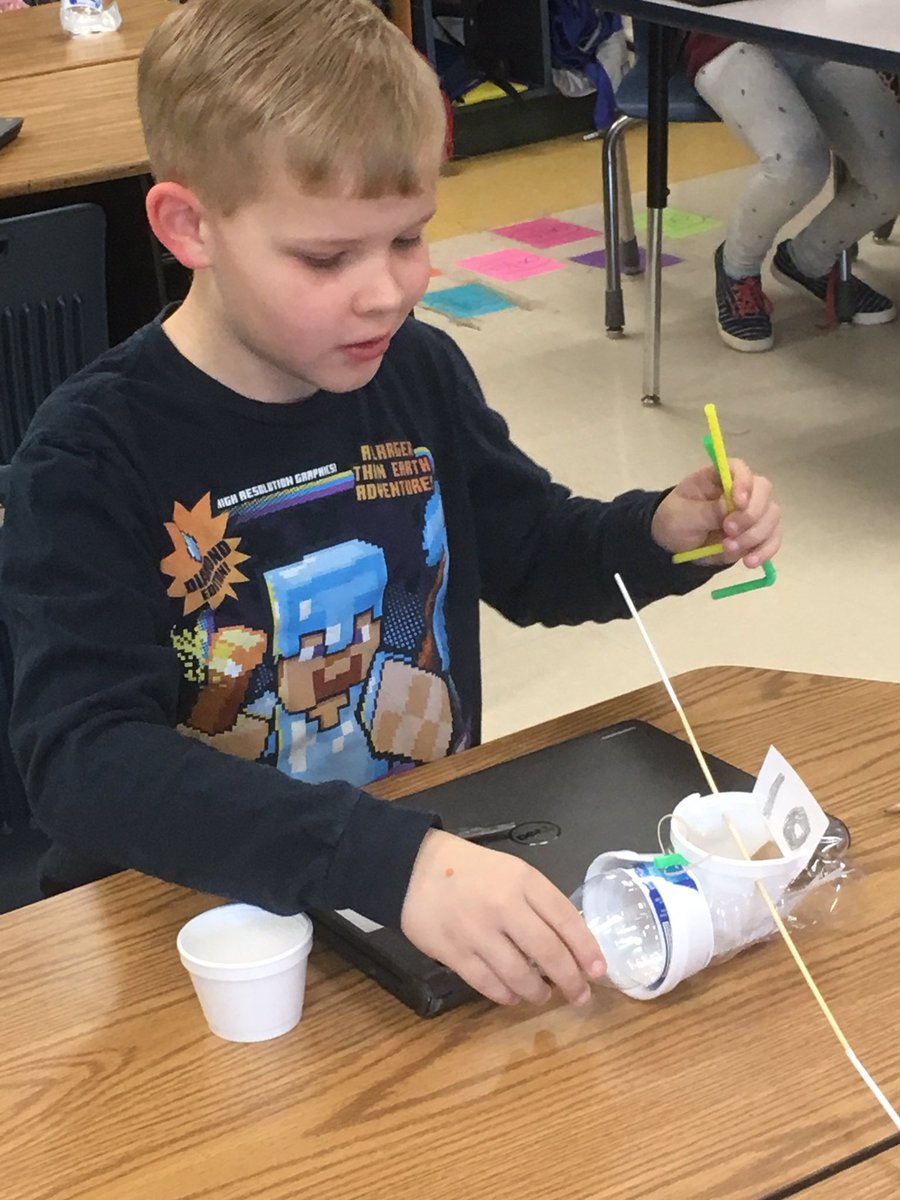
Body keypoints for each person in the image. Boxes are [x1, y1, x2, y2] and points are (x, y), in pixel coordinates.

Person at [1, 0, 782, 1010]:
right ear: (190, 227)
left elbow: (533, 552)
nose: (386, 292)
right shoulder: (89, 454)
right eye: (327, 258)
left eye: (408, 237)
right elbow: (86, 763)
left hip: (416, 903)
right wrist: (387, 861)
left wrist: (660, 533)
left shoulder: (416, 372)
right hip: (204, 941)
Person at [684, 35, 900, 352]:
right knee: (796, 164)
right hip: (727, 37)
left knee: (892, 176)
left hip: (824, 34)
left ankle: (807, 261)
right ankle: (737, 267)